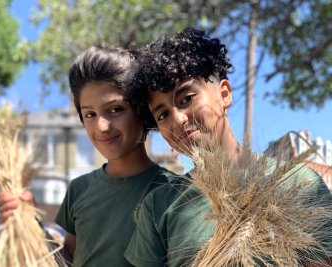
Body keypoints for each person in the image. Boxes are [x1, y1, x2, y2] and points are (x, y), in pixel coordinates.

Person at [124, 28, 332, 267]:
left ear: (224, 94)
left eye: (186, 98)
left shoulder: (299, 182)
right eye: (162, 114)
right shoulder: (159, 207)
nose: (178, 119)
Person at [0, 47, 176, 266]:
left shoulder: (173, 191)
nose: (101, 126)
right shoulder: (79, 189)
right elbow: (68, 260)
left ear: (142, 111)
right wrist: (30, 224)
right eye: (90, 114)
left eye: (115, 109)